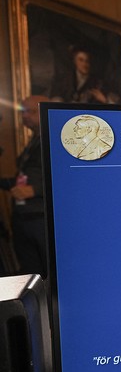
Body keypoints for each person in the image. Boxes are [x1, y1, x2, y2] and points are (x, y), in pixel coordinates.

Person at [0, 96, 50, 278]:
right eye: (23, 112)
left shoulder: (56, 140)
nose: (26, 116)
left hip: (42, 218)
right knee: (31, 276)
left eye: (32, 111)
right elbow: (23, 179)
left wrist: (36, 190)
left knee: (50, 275)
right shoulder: (33, 141)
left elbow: (70, 179)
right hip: (23, 217)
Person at [50, 47, 119, 104]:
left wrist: (104, 100)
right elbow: (54, 99)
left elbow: (115, 104)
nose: (84, 64)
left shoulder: (98, 82)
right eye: (81, 60)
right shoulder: (63, 79)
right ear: (75, 61)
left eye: (87, 61)